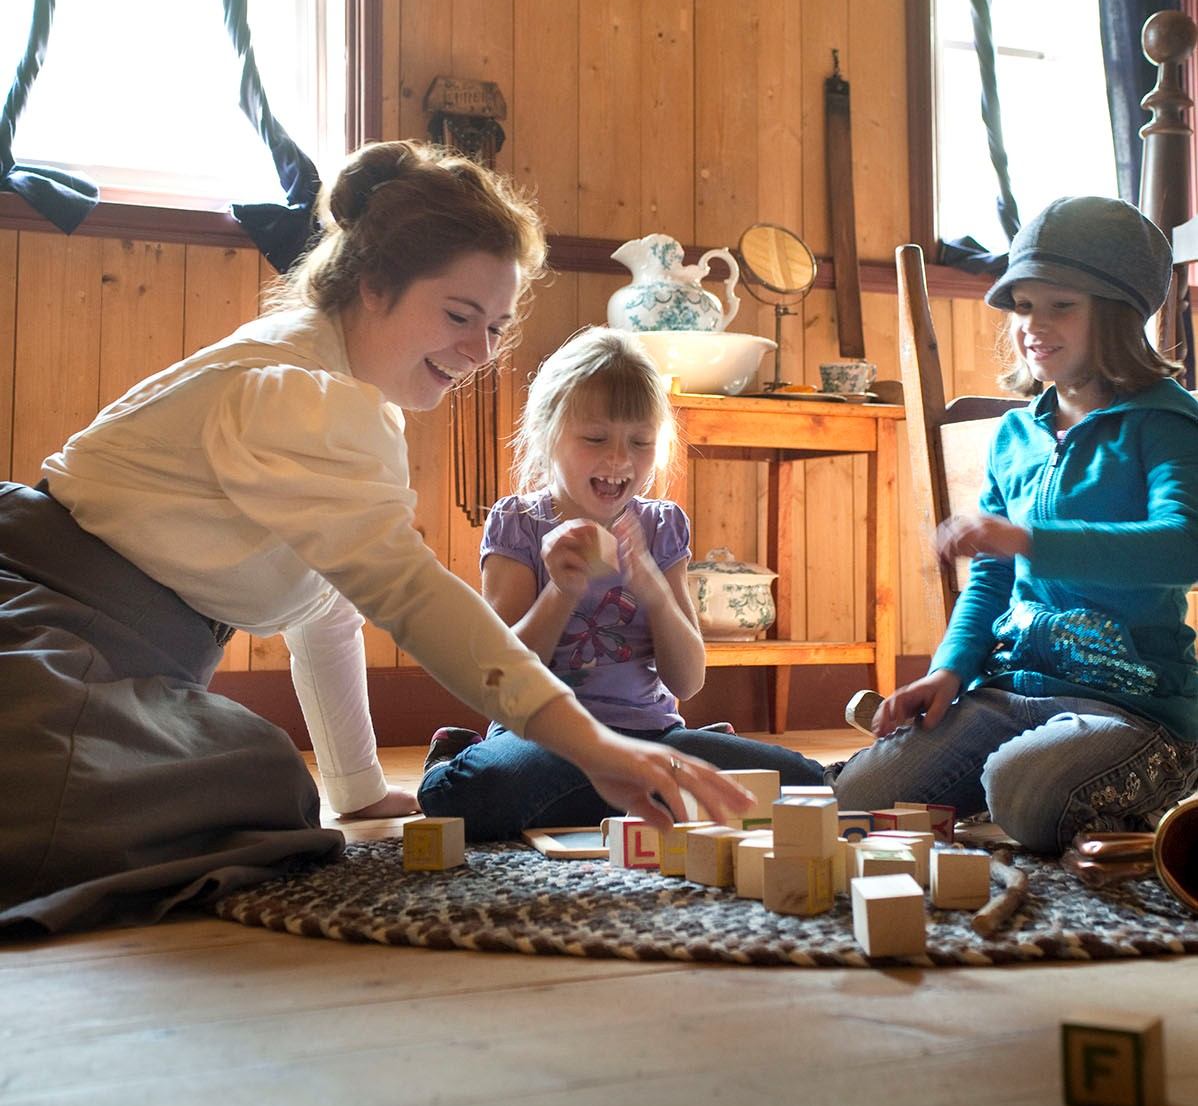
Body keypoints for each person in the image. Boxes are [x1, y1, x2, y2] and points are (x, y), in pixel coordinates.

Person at [0, 141, 754, 933]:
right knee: (240, 780)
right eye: (459, 316)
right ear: (373, 284)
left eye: (496, 326)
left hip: (100, 653)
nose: (480, 352)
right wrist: (596, 747)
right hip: (42, 635)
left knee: (252, 778)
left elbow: (326, 604)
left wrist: (357, 787)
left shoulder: (341, 397)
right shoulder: (299, 391)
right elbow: (411, 595)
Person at [834, 195, 1198, 854]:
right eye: (1025, 305)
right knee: (857, 801)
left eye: (1061, 306)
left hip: (1131, 708)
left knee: (1022, 792)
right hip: (1009, 691)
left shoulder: (1167, 424)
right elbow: (991, 583)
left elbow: (1184, 548)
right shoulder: (1014, 435)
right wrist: (948, 672)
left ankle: (1168, 779)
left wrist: (1032, 540)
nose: (1033, 325)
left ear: (1118, 315)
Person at [419, 326, 827, 838]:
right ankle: (459, 755)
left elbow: (687, 680)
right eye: (595, 439)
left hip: (650, 737)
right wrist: (561, 590)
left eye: (640, 442)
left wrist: (655, 591)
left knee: (807, 783)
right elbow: (499, 679)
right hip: (545, 741)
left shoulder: (661, 526)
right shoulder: (520, 522)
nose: (619, 460)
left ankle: (629, 786)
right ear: (547, 434)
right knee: (470, 800)